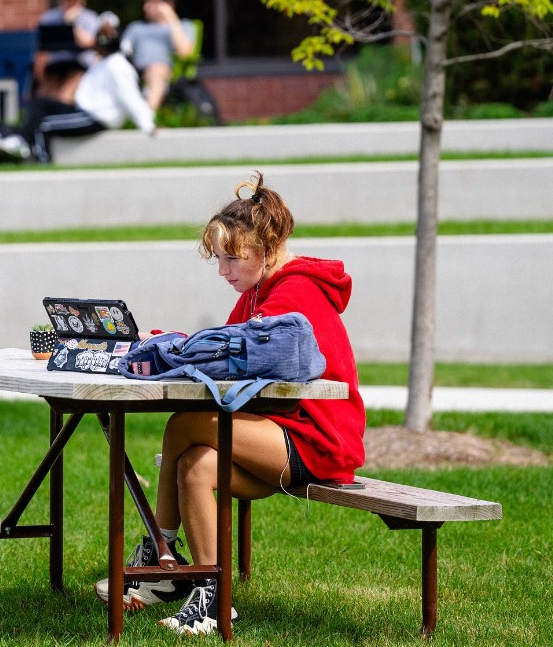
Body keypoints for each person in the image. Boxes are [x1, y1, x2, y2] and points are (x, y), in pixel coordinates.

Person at [95, 171, 366, 635]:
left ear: (267, 249)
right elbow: (224, 353)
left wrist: (176, 350)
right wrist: (165, 342)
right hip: (274, 433)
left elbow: (236, 360)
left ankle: (159, 555)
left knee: (185, 424)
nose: (223, 271)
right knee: (196, 464)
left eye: (231, 259)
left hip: (315, 443)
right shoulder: (258, 292)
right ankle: (207, 590)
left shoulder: (294, 293)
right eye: (219, 259)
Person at [15, 19, 156, 163]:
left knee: (44, 126)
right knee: (42, 103)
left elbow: (130, 97)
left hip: (95, 116)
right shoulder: (103, 62)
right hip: (82, 109)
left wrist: (148, 125)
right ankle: (17, 140)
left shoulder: (117, 65)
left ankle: (42, 163)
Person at [120, 0, 197, 110]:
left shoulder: (184, 26)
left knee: (156, 69)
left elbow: (185, 52)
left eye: (153, 3)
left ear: (169, 5)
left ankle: (147, 117)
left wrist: (171, 17)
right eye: (146, 3)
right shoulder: (136, 27)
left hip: (165, 71)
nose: (146, 7)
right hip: (135, 71)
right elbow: (122, 51)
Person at [34, 0, 102, 99]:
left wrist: (71, 23)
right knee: (44, 97)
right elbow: (42, 52)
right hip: (55, 66)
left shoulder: (90, 18)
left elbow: (89, 43)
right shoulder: (48, 19)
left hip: (81, 65)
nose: (67, 6)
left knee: (64, 96)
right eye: (65, 1)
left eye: (72, 2)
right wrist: (39, 78)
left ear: (81, 2)